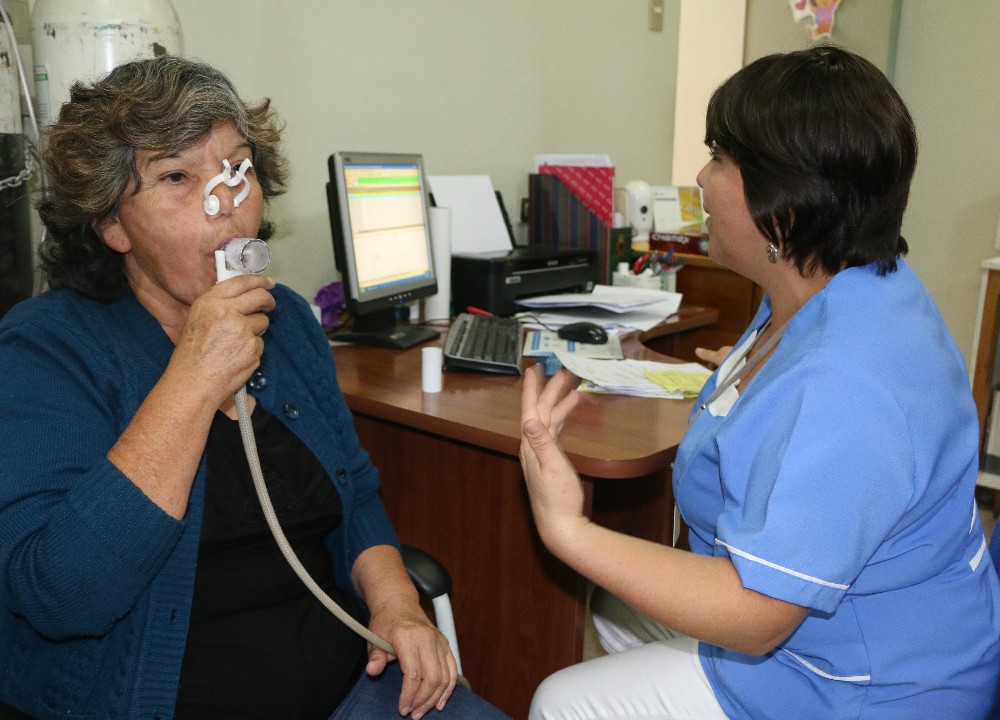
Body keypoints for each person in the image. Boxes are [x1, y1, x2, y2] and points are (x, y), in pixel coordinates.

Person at [0, 56, 507, 720]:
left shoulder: (287, 319)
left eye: (237, 170)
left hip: (350, 683)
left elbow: (354, 498)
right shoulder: (46, 348)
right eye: (177, 177)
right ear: (112, 224)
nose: (226, 205)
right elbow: (61, 596)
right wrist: (193, 378)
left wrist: (397, 606)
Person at [519, 45, 1000, 719]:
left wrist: (568, 528)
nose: (700, 174)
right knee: (613, 614)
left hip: (864, 687)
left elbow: (757, 613)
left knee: (564, 700)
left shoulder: (850, 385)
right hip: (843, 635)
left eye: (719, 156)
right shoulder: (834, 288)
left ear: (783, 205)